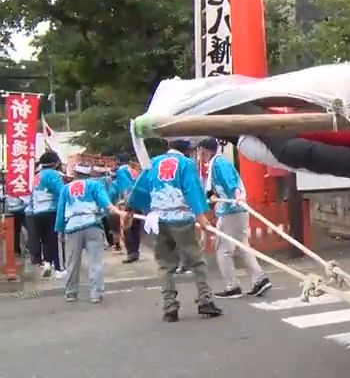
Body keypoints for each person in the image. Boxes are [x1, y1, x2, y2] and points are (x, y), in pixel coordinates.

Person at [127, 139, 222, 322]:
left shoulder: (153, 162)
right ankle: (205, 300)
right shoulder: (186, 164)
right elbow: (192, 189)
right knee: (196, 261)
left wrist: (131, 209)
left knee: (165, 264)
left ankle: (169, 306)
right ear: (186, 151)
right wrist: (200, 214)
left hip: (159, 219)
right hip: (181, 218)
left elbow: (141, 187)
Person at [197, 138, 272, 299]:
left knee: (223, 249)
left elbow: (231, 183)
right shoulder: (217, 163)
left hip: (231, 211)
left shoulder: (219, 164)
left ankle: (232, 286)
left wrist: (237, 195)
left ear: (205, 150)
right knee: (242, 245)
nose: (199, 155)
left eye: (200, 150)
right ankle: (260, 279)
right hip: (236, 210)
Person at [56, 165, 126, 303]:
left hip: (72, 227)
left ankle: (71, 292)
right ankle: (96, 294)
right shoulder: (94, 185)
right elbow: (106, 204)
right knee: (96, 262)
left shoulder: (66, 188)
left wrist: (60, 229)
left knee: (72, 262)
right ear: (89, 174)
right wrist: (115, 212)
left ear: (75, 174)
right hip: (92, 225)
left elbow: (60, 211)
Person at [32, 151, 67, 278]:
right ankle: (59, 269)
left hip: (37, 212)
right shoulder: (53, 174)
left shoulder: (36, 176)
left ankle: (47, 263)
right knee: (57, 240)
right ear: (56, 162)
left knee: (46, 240)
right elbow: (62, 192)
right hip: (52, 211)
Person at [115, 153, 143, 264]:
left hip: (130, 201)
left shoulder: (121, 170)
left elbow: (125, 187)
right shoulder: (135, 168)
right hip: (139, 200)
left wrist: (125, 203)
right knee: (136, 227)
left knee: (127, 227)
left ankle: (131, 253)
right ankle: (136, 251)